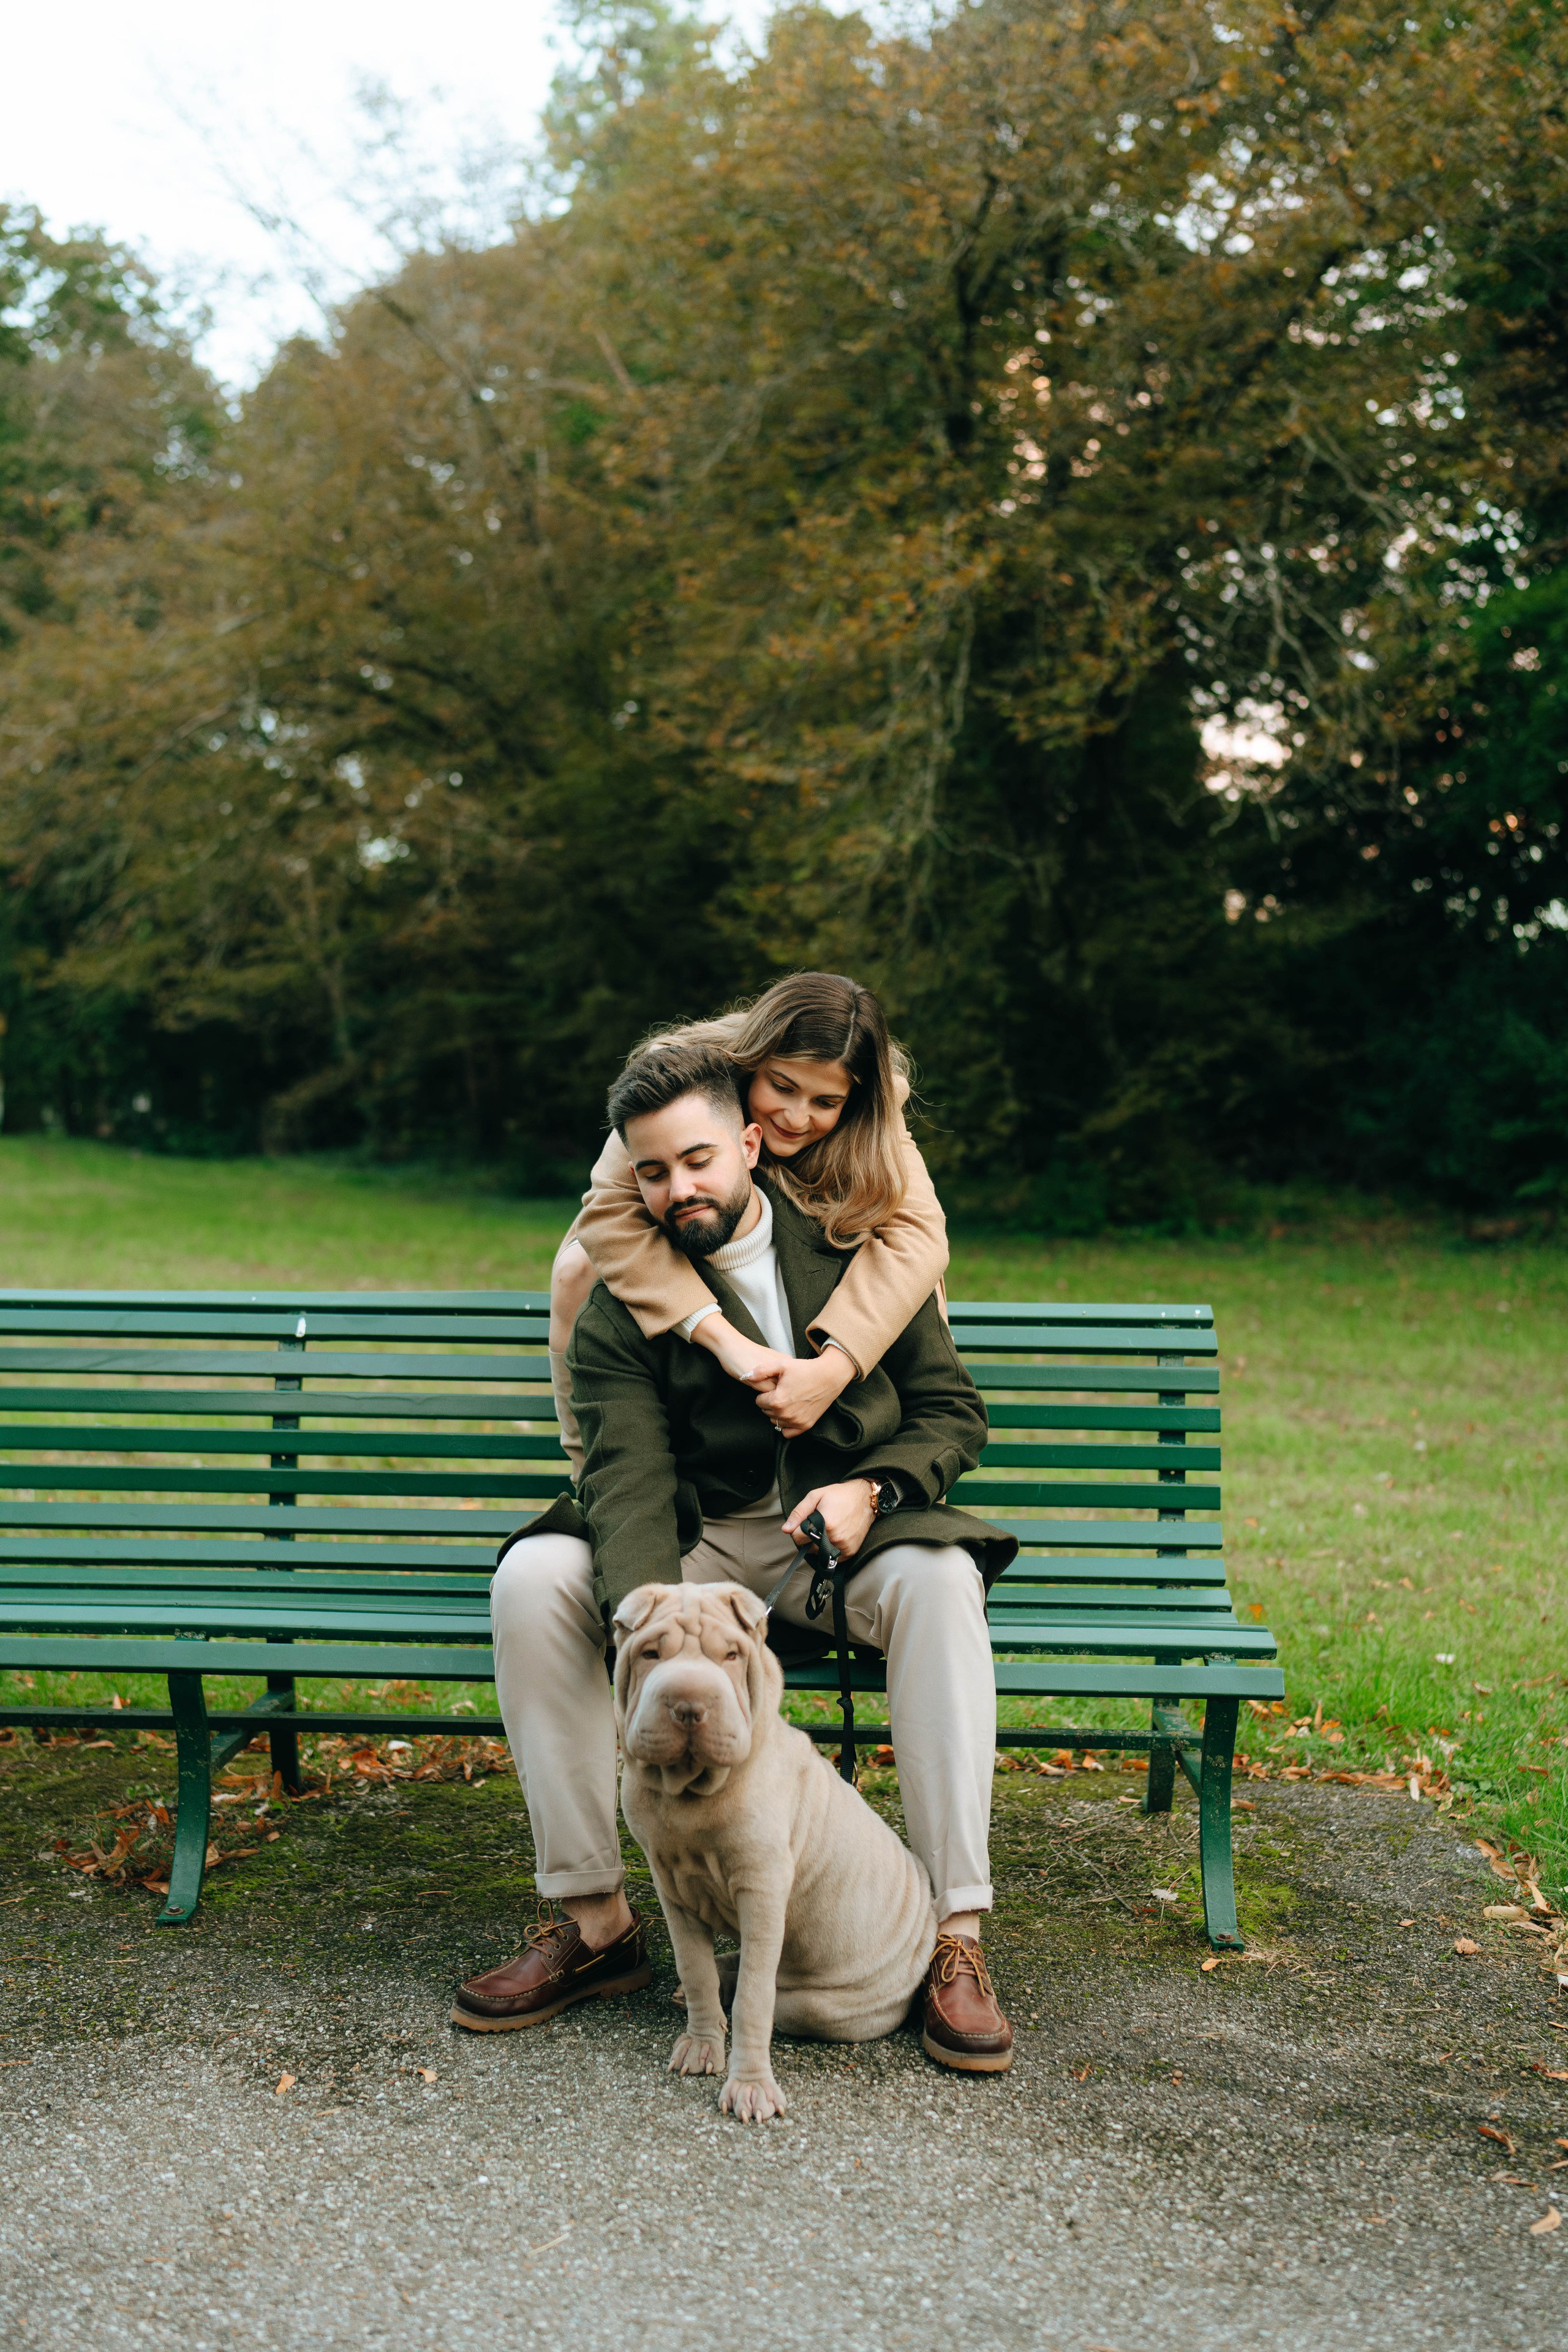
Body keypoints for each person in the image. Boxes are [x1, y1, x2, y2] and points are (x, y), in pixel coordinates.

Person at [453, 1038, 1020, 2073]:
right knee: (533, 1577)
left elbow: (950, 1413)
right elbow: (620, 1470)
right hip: (692, 1546)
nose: (680, 1189)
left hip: (838, 1544)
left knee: (941, 1583)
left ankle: (955, 1938)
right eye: (655, 1171)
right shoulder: (630, 1291)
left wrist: (873, 1490)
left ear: (754, 1142)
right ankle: (594, 1923)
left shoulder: (858, 1245)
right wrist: (650, 1618)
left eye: (701, 1160)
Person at [547, 972, 950, 1472]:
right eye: (782, 1086)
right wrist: (723, 1338)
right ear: (754, 1059)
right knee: (576, 1270)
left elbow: (921, 1235)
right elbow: (607, 1213)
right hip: (689, 1237)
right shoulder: (686, 1075)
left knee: (922, 1280)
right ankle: (591, 1467)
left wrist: (835, 1367)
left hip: (805, 1246)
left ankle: (909, 1462)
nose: (796, 1118)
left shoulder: (877, 1101)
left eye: (826, 1103)